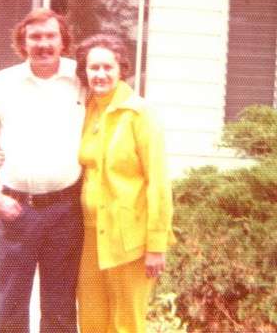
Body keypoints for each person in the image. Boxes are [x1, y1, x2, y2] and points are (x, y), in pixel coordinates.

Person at [0, 8, 85, 333]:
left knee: (60, 310)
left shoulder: (82, 79)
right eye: (35, 37)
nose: (43, 44)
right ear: (23, 42)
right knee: (8, 309)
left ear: (63, 40)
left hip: (67, 211)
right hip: (15, 210)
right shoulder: (0, 84)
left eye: (51, 36)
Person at [74, 33, 174, 333]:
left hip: (130, 238)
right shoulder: (85, 110)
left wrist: (156, 244)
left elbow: (158, 181)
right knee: (91, 320)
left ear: (122, 70)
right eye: (93, 68)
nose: (100, 74)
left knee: (126, 325)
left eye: (108, 67)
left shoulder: (139, 113)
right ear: (84, 72)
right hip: (89, 236)